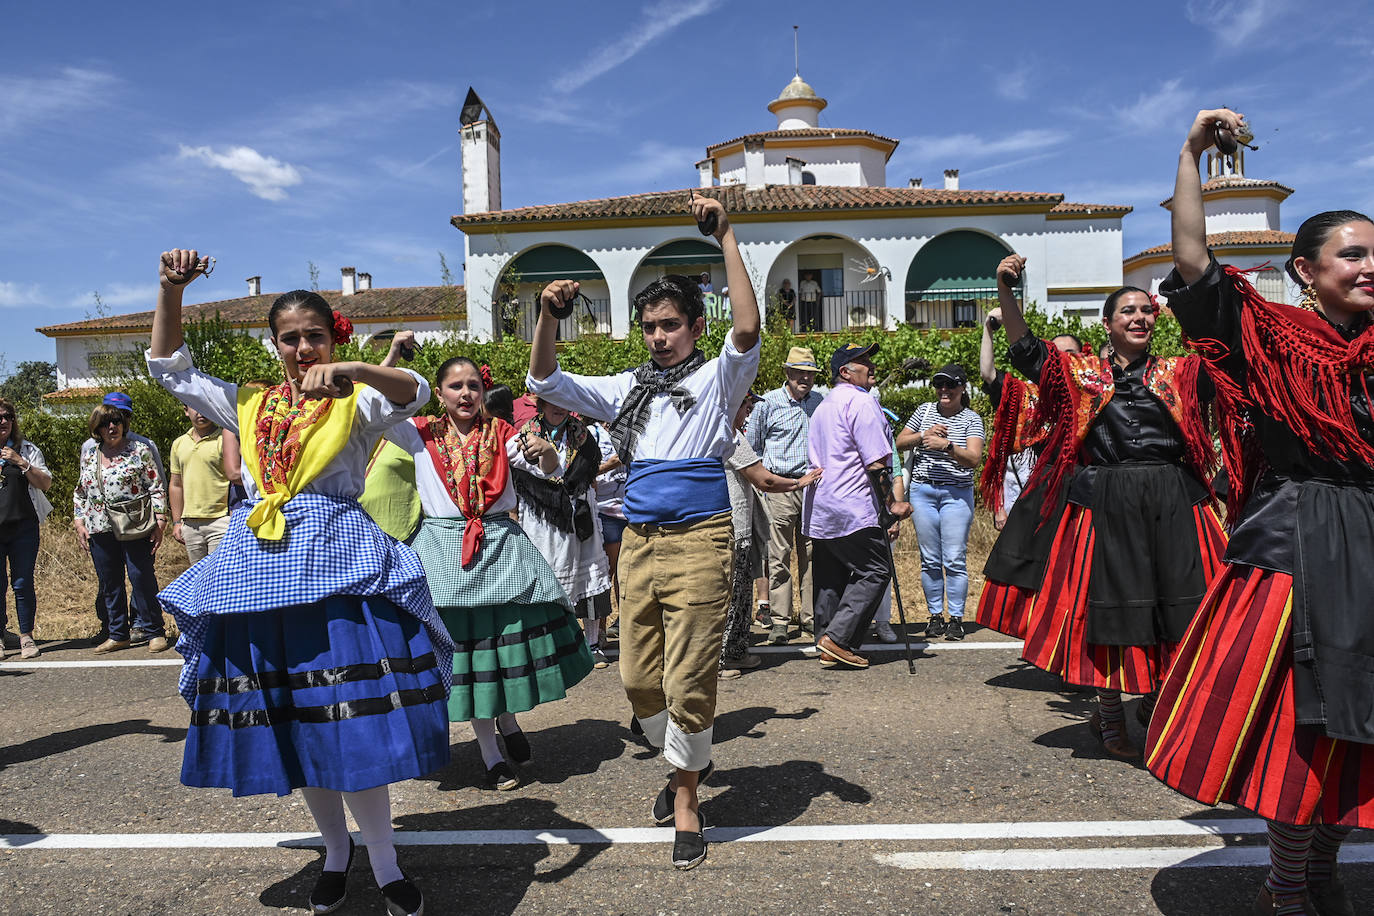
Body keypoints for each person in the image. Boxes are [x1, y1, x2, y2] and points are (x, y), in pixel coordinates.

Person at [146, 249, 449, 916]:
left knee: (353, 724)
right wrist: (171, 289)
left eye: (316, 335)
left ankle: (386, 861)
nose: (304, 347)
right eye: (291, 338)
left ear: (334, 337)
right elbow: (169, 369)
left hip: (338, 567)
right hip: (263, 574)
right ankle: (336, 854)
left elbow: (416, 392)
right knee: (300, 719)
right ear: (275, 344)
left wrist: (353, 367)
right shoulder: (247, 404)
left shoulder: (357, 399)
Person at [1144, 107, 1373, 916]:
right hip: (1297, 540)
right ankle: (1287, 881)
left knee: (1362, 724)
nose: (1370, 266)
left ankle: (1325, 869)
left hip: (1371, 535)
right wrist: (1189, 156)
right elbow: (1193, 263)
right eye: (1353, 254)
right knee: (1298, 727)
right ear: (1306, 271)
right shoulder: (1268, 331)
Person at [526, 192, 759, 870]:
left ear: (692, 326)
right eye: (650, 326)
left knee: (690, 680)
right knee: (636, 680)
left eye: (670, 325)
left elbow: (745, 325)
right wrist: (546, 314)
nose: (659, 336)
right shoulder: (628, 386)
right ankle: (686, 759)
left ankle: (687, 797)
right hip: (641, 543)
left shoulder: (720, 376)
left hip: (703, 540)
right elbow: (544, 377)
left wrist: (728, 237)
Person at [991, 252, 1227, 762]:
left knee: (1185, 605)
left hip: (1173, 498)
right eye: (1128, 311)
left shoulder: (1181, 372)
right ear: (1108, 323)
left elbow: (1229, 360)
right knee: (1109, 610)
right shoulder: (1079, 374)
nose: (1139, 317)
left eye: (1146, 310)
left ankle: (1155, 700)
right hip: (1106, 502)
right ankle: (1110, 710)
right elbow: (1027, 352)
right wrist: (1006, 290)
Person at [386, 357, 593, 793]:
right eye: (455, 386)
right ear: (438, 393)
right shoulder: (417, 433)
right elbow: (381, 408)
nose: (465, 393)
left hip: (499, 546)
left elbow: (550, 469)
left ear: (484, 392)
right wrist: (389, 362)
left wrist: (550, 453)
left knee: (500, 650)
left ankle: (508, 718)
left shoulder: (504, 435)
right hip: (445, 554)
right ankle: (491, 754)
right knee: (471, 657)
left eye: (473, 386)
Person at [803, 342, 913, 670]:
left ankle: (827, 637)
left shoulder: (824, 405)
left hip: (822, 506)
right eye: (862, 361)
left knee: (831, 573)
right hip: (852, 504)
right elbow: (877, 463)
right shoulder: (862, 402)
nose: (870, 365)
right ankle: (837, 639)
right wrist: (891, 504)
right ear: (845, 372)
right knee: (876, 569)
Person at [974, 310, 1081, 641]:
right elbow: (988, 372)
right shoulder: (1027, 392)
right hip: (1041, 492)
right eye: (1057, 354)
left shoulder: (1100, 394)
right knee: (1039, 568)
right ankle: (1047, 634)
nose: (1063, 360)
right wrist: (988, 331)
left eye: (1071, 354)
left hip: (1087, 491)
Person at [721, 392, 822, 677]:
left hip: (726, 523)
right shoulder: (730, 437)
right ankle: (727, 657)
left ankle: (735, 652)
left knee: (736, 592)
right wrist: (798, 482)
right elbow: (763, 478)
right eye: (745, 405)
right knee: (735, 593)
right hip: (734, 525)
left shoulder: (713, 433)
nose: (749, 411)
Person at [512, 397, 615, 668]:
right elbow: (521, 476)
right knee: (547, 577)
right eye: (552, 402)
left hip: (579, 513)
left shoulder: (582, 434)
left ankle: (593, 643)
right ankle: (552, 646)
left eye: (563, 402)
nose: (559, 407)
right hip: (542, 518)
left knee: (589, 576)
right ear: (542, 404)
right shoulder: (524, 436)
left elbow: (590, 470)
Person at [895, 364, 986, 641]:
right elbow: (899, 442)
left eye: (951, 385)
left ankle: (956, 618)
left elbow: (973, 459)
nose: (944, 390)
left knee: (955, 559)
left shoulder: (972, 419)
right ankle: (935, 616)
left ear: (962, 388)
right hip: (923, 492)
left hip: (956, 495)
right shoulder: (924, 411)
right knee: (930, 559)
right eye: (940, 385)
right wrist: (924, 436)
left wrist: (947, 447)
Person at [72, 403, 170, 654]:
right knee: (109, 582)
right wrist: (79, 520)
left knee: (141, 577)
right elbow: (82, 490)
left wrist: (160, 520)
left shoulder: (139, 450)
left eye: (116, 421)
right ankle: (118, 634)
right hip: (99, 526)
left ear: (124, 424)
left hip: (134, 524)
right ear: (97, 428)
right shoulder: (91, 453)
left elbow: (156, 486)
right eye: (105, 423)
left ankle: (154, 631)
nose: (112, 427)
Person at [746, 346, 824, 646]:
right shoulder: (769, 403)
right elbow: (753, 446)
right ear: (787, 373)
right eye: (800, 372)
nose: (806, 378)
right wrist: (763, 484)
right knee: (779, 555)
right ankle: (779, 620)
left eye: (810, 373)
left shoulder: (819, 402)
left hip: (813, 487)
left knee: (813, 555)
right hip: (780, 486)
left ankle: (810, 617)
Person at [359, 331, 424, 544]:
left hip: (403, 536)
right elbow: (367, 396)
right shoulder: (355, 423)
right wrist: (391, 359)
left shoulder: (414, 432)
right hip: (358, 532)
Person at [0, 399, 53, 659]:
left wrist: (21, 462)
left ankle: (26, 637)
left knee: (22, 583)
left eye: (7, 416)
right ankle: (0, 636)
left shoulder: (27, 449)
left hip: (23, 527)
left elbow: (45, 484)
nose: (3, 421)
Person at [168, 405, 233, 563]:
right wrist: (177, 522)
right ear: (186, 410)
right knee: (197, 578)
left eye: (203, 405)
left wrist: (232, 518)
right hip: (190, 523)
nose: (200, 411)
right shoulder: (179, 443)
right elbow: (176, 484)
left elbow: (235, 480)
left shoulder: (225, 439)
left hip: (220, 520)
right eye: (194, 406)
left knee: (218, 576)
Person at [589, 421, 627, 639]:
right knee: (605, 574)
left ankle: (626, 626)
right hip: (604, 511)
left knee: (627, 576)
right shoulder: (592, 433)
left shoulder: (633, 429)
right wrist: (611, 464)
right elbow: (581, 471)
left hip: (631, 511)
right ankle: (598, 632)